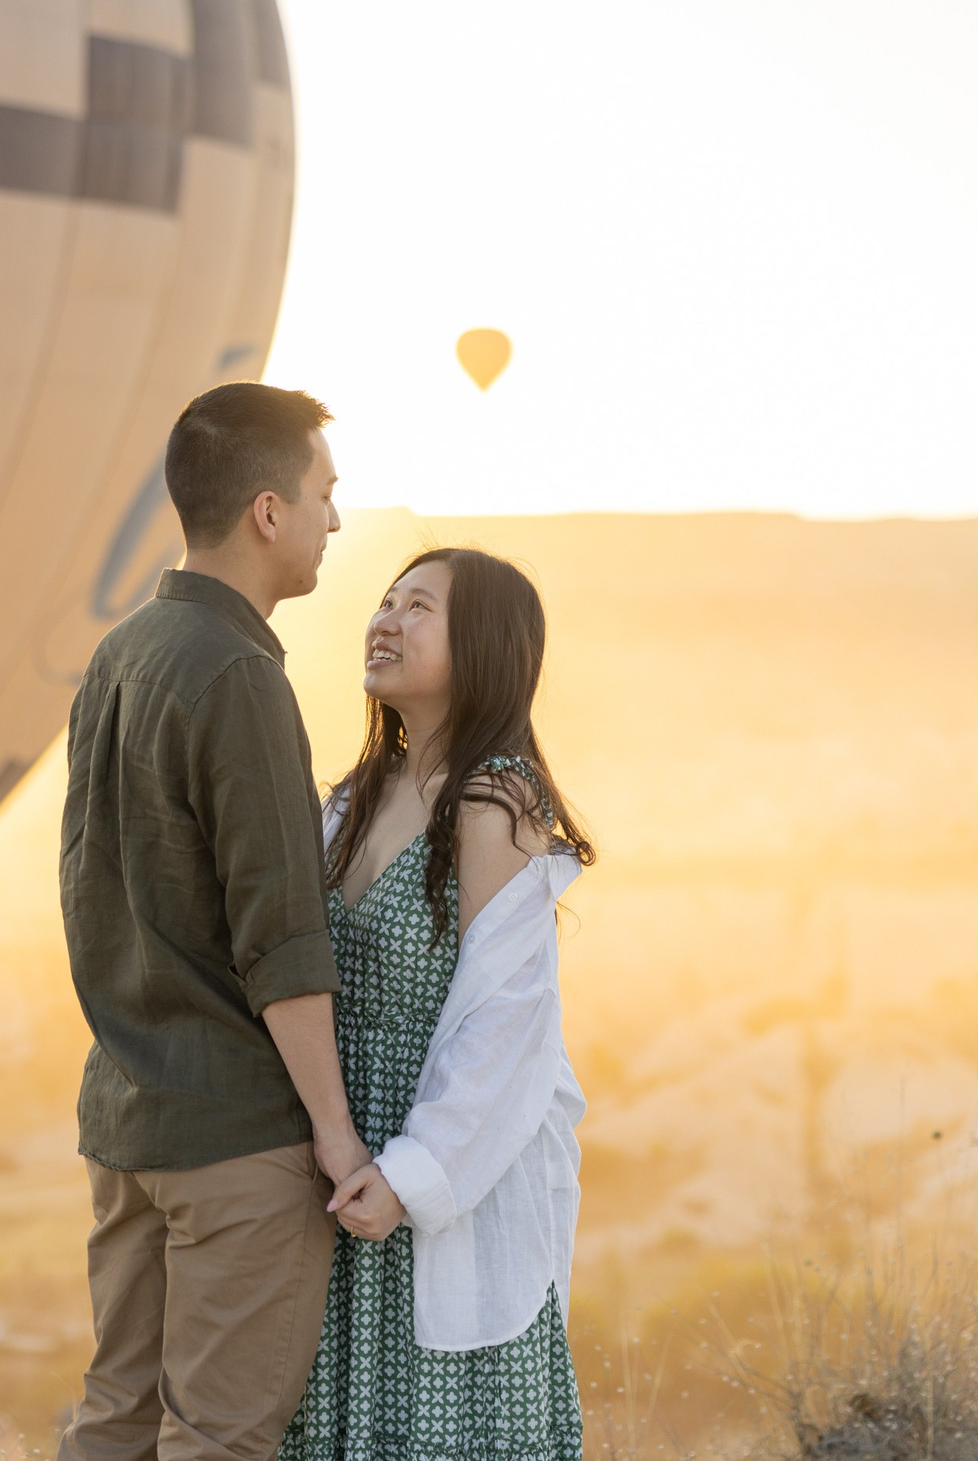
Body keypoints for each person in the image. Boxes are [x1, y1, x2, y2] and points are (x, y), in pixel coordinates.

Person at [59, 383, 363, 1461]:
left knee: (116, 1419)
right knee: (217, 1438)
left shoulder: (121, 652)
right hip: (236, 1136)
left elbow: (87, 887)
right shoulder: (237, 673)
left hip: (130, 1117)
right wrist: (335, 1134)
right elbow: (281, 938)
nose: (337, 518)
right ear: (268, 512)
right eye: (325, 493)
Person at [279, 548, 596, 1461]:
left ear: (483, 645)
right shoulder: (352, 799)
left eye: (419, 607)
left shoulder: (495, 802)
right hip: (339, 1163)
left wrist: (413, 1177)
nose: (386, 620)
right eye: (385, 600)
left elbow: (509, 1029)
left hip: (448, 1173)